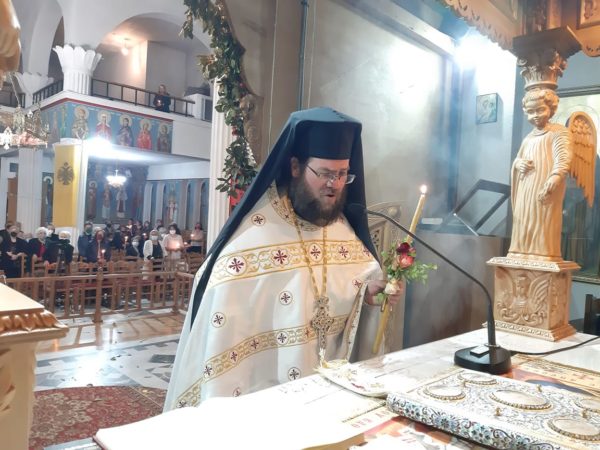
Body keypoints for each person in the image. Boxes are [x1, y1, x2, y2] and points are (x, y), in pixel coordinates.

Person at [165, 107, 402, 410]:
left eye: (343, 174)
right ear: (295, 167)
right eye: (325, 173)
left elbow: (352, 284)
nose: (334, 184)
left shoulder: (342, 229)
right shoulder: (254, 235)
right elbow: (223, 307)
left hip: (327, 395)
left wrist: (368, 293)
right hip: (265, 402)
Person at [508, 88, 572, 260]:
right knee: (524, 218)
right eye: (530, 112)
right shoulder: (528, 138)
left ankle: (542, 254)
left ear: (551, 108)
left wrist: (555, 176)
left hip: (545, 187)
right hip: (525, 189)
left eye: (540, 110)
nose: (535, 115)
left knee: (543, 221)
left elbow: (563, 157)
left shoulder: (559, 132)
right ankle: (520, 251)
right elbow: (518, 159)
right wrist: (518, 163)